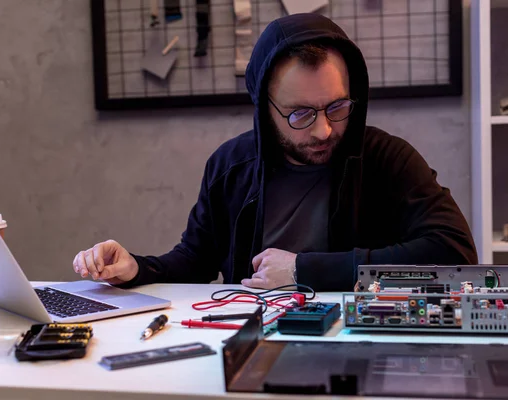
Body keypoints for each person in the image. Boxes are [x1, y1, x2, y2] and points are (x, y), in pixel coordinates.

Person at [72, 13, 477, 291]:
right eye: (301, 113)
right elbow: (195, 259)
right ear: (264, 109)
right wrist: (137, 268)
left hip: (356, 336)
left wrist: (304, 269)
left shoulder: (389, 160)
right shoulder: (231, 165)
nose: (324, 129)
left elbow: (453, 250)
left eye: (337, 107)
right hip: (252, 339)